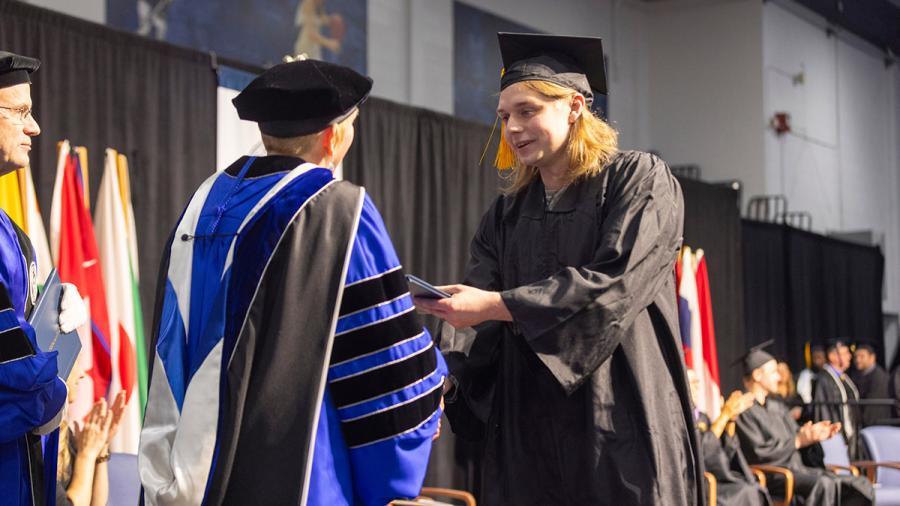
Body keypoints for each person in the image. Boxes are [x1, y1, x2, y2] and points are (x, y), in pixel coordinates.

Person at [138, 56, 445, 506]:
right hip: (297, 476)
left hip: (188, 469)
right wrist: (433, 381)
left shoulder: (203, 203)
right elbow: (384, 368)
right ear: (334, 136)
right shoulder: (338, 211)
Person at [416, 33, 702, 505]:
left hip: (618, 426)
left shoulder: (640, 180)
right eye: (505, 116)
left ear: (574, 106)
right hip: (528, 433)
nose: (512, 128)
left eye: (527, 111)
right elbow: (477, 312)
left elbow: (615, 284)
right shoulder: (505, 214)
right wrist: (444, 380)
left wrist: (497, 305)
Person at [0, 50, 87, 506]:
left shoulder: (11, 231)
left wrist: (47, 312)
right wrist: (59, 383)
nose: (34, 127)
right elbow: (9, 374)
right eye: (20, 112)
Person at [734, 341, 873, 505]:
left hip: (798, 469)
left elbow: (798, 436)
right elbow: (759, 453)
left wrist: (814, 434)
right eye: (773, 372)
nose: (779, 377)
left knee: (859, 484)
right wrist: (798, 440)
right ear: (757, 375)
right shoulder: (743, 410)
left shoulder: (777, 407)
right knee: (824, 483)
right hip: (774, 474)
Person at [688, 370, 771, 506]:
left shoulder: (702, 417)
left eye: (697, 382)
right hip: (700, 484)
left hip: (718, 480)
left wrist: (731, 419)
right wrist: (725, 415)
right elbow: (701, 452)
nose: (697, 387)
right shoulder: (680, 420)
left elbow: (722, 454)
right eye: (692, 383)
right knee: (747, 491)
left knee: (753, 487)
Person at [56, 360, 127, 506]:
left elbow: (97, 504)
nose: (82, 374)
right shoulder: (39, 437)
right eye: (75, 361)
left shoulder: (63, 430)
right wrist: (86, 455)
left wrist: (100, 448)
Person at [806, 339, 861, 458]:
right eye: (845, 353)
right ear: (832, 356)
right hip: (837, 438)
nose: (849, 356)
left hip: (851, 436)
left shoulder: (844, 378)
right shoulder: (823, 380)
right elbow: (823, 413)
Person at [849, 341, 891, 427]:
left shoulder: (879, 377)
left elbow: (873, 408)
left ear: (872, 357)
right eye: (856, 357)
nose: (857, 360)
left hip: (876, 424)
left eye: (862, 356)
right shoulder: (855, 375)